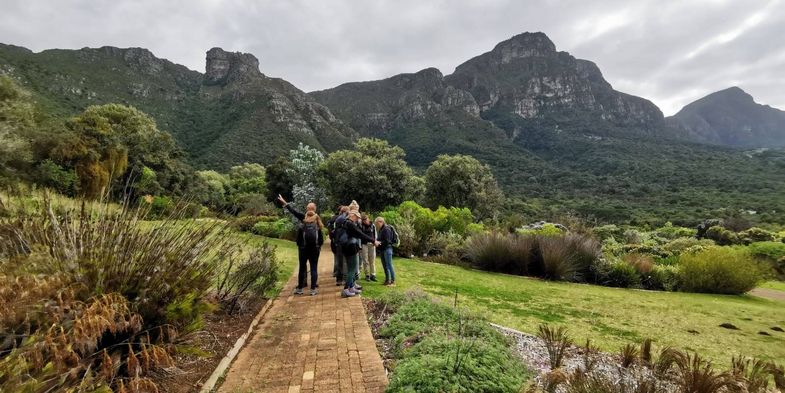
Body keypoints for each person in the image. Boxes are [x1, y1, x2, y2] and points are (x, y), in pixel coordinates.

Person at [341, 202, 380, 297]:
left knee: (353, 268)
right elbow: (360, 234)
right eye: (357, 217)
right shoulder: (350, 224)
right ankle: (346, 289)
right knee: (352, 269)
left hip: (348, 247)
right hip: (350, 248)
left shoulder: (346, 222)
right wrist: (373, 240)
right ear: (352, 215)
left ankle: (351, 287)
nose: (358, 219)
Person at [294, 211, 323, 295]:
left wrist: (301, 247)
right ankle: (313, 290)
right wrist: (318, 247)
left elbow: (298, 241)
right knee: (314, 268)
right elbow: (321, 240)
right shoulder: (317, 227)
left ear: (306, 216)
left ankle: (300, 289)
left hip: (303, 250)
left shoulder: (301, 226)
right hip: (314, 250)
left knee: (302, 268)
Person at [326, 205, 349, 286]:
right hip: (344, 242)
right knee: (345, 261)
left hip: (336, 242)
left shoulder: (334, 219)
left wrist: (332, 238)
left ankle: (338, 277)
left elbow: (331, 230)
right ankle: (345, 278)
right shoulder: (345, 219)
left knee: (338, 260)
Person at [375, 217, 396, 286]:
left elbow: (387, 241)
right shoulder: (381, 229)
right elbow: (379, 239)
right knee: (385, 266)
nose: (376, 225)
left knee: (389, 265)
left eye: (377, 223)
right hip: (382, 249)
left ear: (381, 222)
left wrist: (379, 243)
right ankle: (387, 280)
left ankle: (393, 281)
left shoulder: (386, 229)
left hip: (387, 249)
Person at [359, 214, 377, 282]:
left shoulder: (373, 225)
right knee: (365, 260)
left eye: (366, 219)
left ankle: (373, 274)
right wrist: (360, 247)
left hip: (372, 244)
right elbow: (360, 236)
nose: (365, 221)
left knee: (372, 260)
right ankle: (367, 275)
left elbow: (375, 234)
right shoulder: (361, 226)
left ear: (368, 219)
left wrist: (375, 242)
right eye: (363, 220)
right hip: (364, 244)